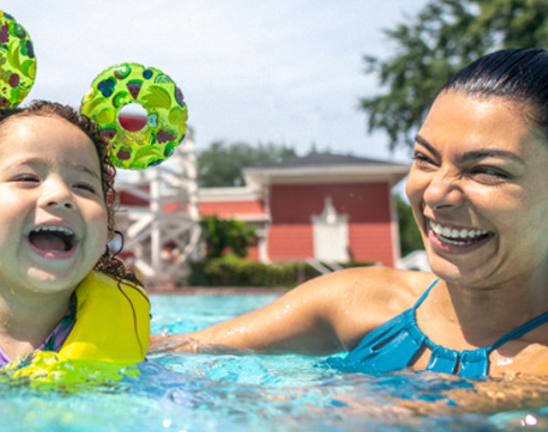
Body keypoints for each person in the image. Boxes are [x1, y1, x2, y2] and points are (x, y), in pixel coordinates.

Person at [151, 48, 548, 378]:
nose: (437, 193)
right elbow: (174, 351)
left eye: (486, 170)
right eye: (425, 159)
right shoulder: (356, 300)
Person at [0, 101, 150, 368]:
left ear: (107, 225)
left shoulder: (125, 336)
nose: (62, 195)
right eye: (28, 178)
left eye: (83, 186)